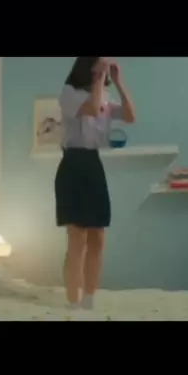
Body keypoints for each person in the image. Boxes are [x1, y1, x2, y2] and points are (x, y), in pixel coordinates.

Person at [55, 57, 136, 310]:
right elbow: (92, 108)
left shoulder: (105, 97)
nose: (104, 70)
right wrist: (99, 77)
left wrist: (119, 83)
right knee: (77, 237)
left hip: (93, 163)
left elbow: (131, 116)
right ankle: (72, 302)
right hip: (73, 164)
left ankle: (89, 299)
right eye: (100, 64)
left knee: (98, 237)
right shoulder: (69, 93)